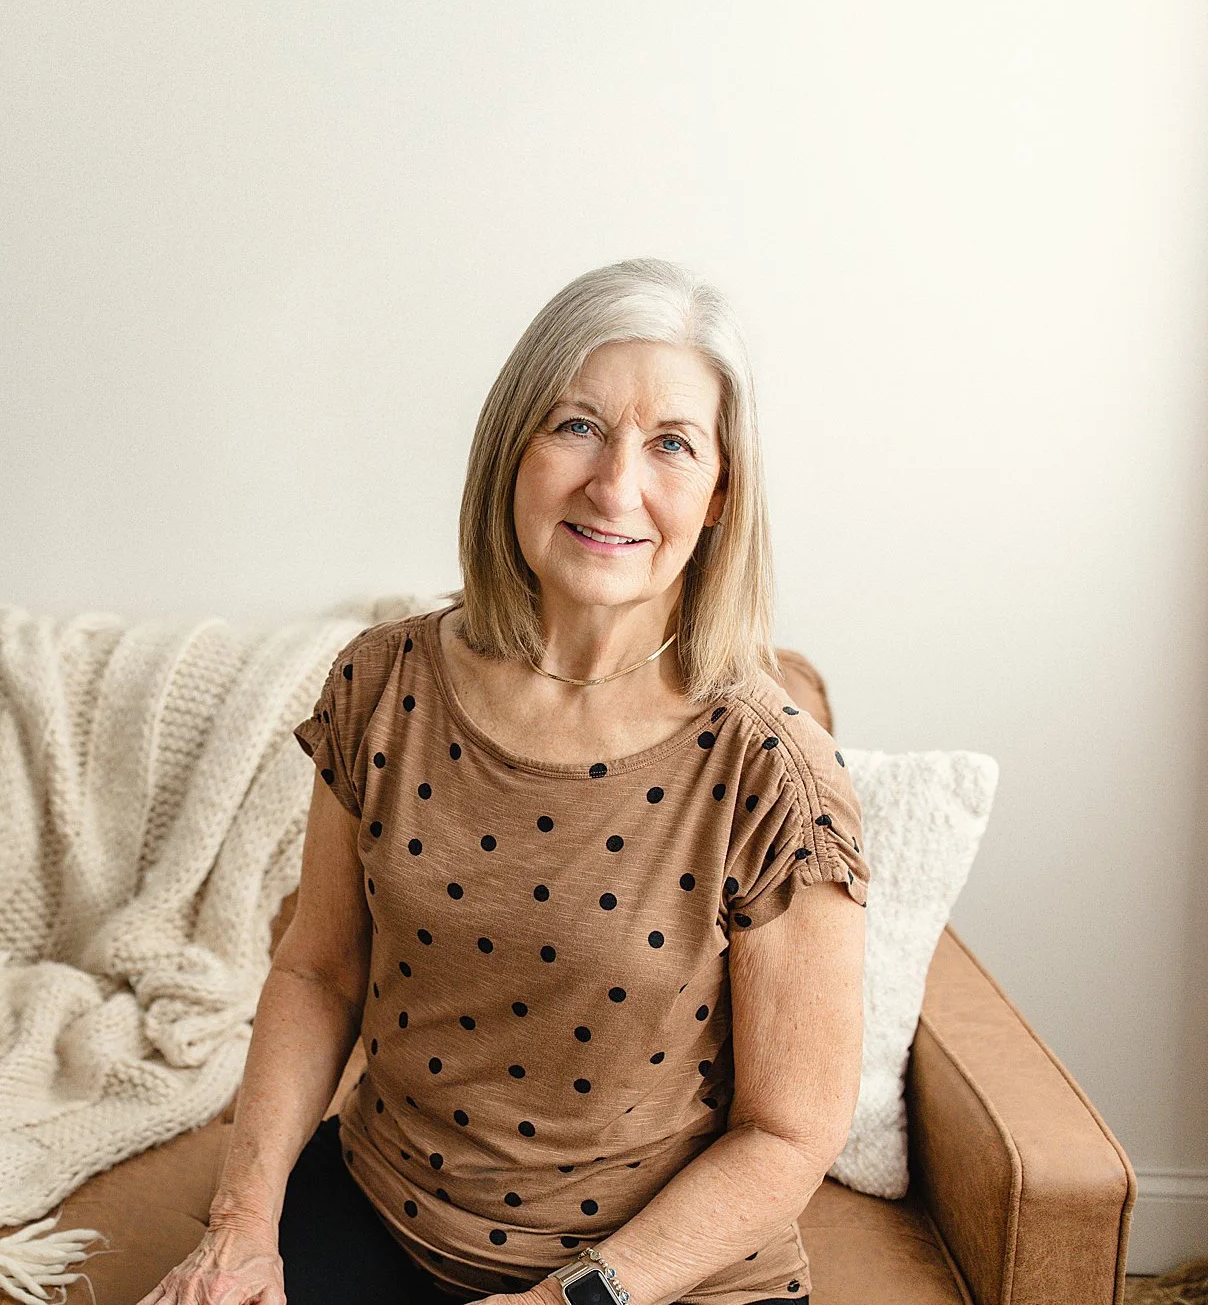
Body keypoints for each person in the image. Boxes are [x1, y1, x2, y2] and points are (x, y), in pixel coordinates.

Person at [133, 258, 868, 1305]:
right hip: (382, 1217)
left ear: (717, 498)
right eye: (574, 426)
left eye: (670, 445)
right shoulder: (382, 684)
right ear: (509, 451)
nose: (613, 485)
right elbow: (317, 974)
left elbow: (787, 1134)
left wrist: (568, 1302)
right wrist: (243, 1223)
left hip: (645, 1283)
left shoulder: (773, 773)